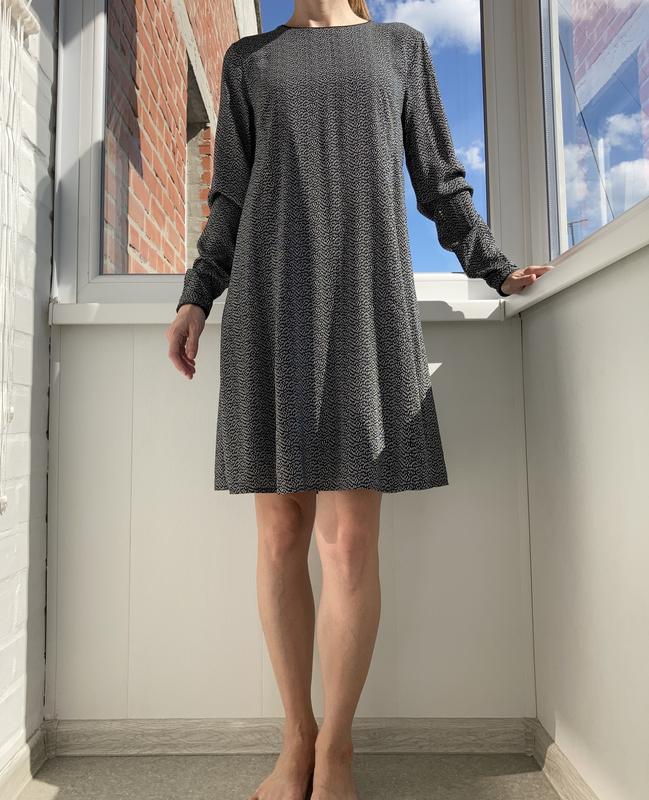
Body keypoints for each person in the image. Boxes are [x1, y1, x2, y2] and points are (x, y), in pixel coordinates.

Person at [166, 2, 552, 798]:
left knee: (346, 543)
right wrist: (197, 294)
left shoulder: (398, 49)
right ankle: (296, 738)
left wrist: (495, 267)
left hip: (362, 299)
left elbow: (437, 179)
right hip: (269, 302)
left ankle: (337, 749)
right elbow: (229, 197)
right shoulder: (248, 59)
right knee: (280, 533)